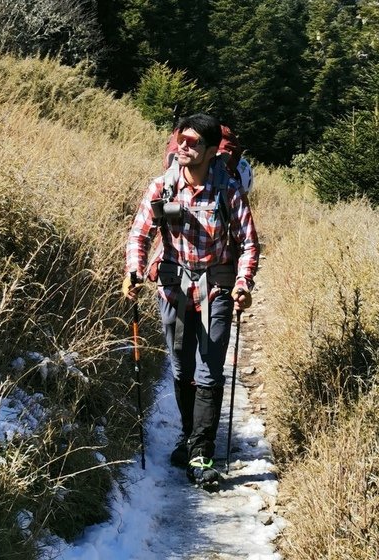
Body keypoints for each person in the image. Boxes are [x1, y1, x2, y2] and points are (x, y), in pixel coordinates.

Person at [123, 113, 259, 488]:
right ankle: (188, 435)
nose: (184, 146)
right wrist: (133, 271)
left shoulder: (228, 191)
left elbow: (248, 244)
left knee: (209, 371)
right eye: (181, 139)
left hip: (216, 288)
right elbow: (139, 234)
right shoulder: (162, 187)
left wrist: (243, 283)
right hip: (172, 286)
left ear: (213, 150)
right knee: (182, 369)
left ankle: (201, 453)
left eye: (194, 142)